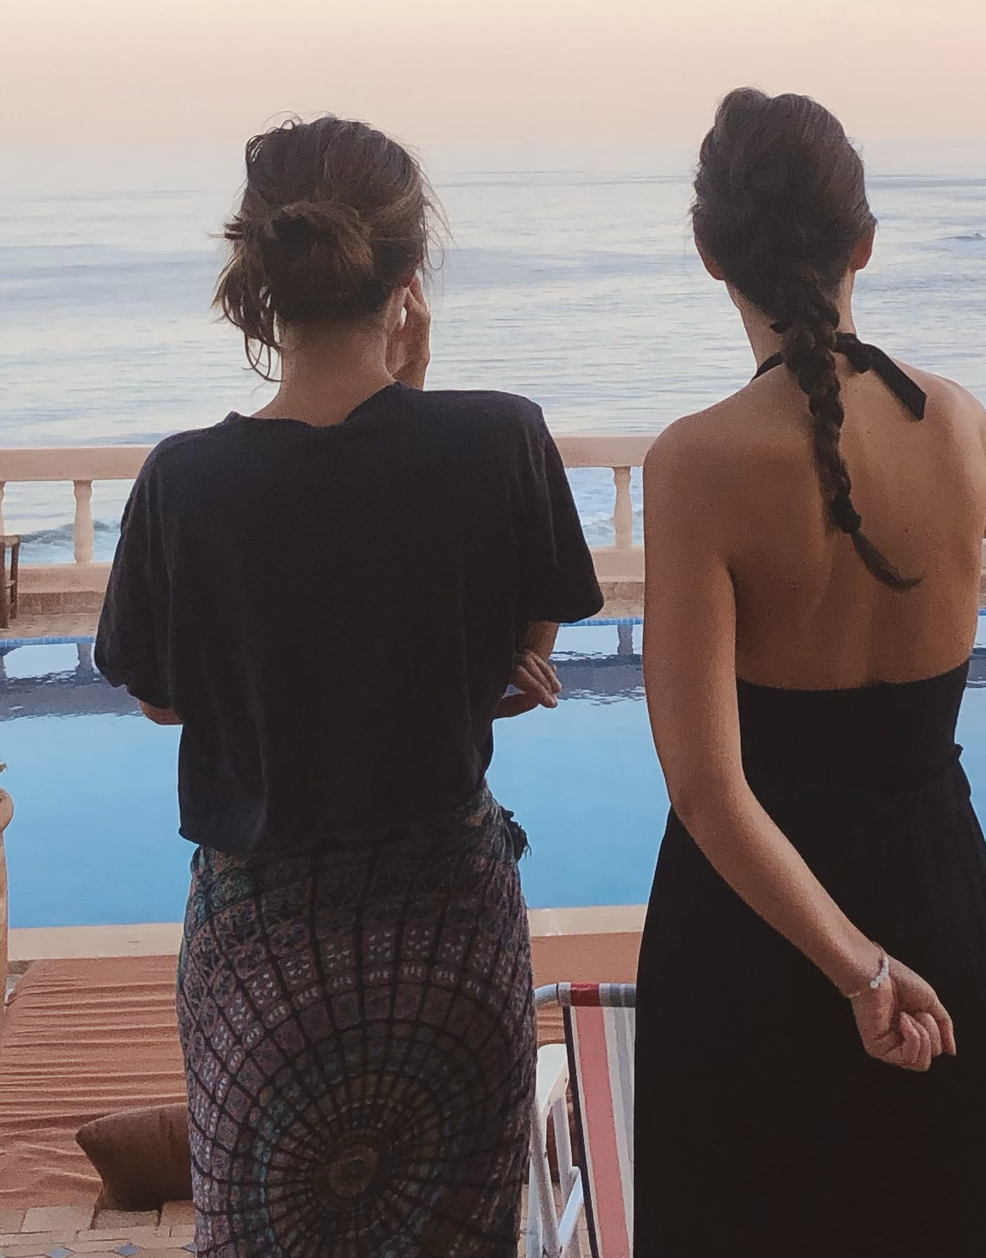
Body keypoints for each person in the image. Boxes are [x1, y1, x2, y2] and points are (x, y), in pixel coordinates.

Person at [95, 115, 603, 1258]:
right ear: (408, 276)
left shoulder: (184, 481)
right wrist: (408, 393)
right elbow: (521, 645)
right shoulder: (499, 438)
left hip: (264, 945)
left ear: (256, 275)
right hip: (447, 933)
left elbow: (162, 698)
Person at [635, 87, 986, 1256]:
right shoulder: (956, 421)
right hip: (936, 893)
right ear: (863, 241)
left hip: (756, 927)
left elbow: (707, 790)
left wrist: (858, 973)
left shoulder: (697, 463)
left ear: (709, 255)